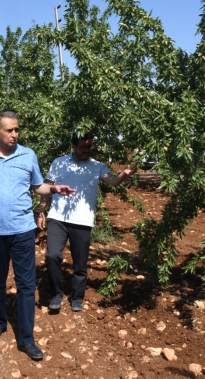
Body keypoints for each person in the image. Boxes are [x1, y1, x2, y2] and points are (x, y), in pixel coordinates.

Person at [0, 112, 75, 361]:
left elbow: (38, 187)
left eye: (16, 130)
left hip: (23, 230)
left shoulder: (28, 155)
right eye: (9, 130)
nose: (14, 134)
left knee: (25, 285)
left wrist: (55, 188)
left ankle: (26, 338)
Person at [37, 132, 135, 312]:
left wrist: (124, 174)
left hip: (82, 220)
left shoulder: (97, 166)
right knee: (52, 256)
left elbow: (112, 182)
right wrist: (41, 211)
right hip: (57, 217)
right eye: (82, 147)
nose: (86, 150)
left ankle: (77, 298)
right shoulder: (59, 163)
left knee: (80, 263)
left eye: (89, 147)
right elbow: (47, 188)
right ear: (73, 147)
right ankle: (57, 294)